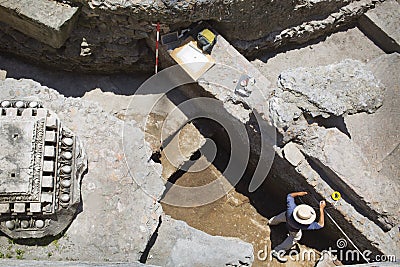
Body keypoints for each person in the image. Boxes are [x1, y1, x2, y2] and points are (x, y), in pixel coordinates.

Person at [268, 191, 326, 262]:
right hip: (293, 229)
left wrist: (300, 193)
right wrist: (321, 209)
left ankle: (271, 222)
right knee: (296, 237)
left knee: (279, 218)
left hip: (286, 216)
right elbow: (321, 224)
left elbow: (290, 196)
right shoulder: (303, 226)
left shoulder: (291, 209)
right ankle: (277, 251)